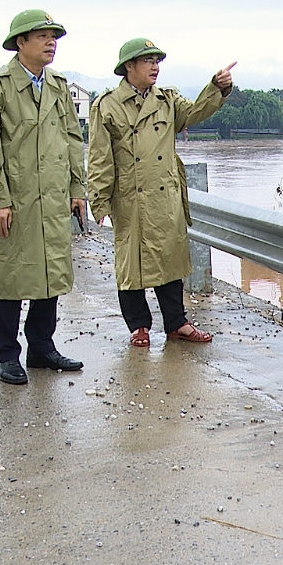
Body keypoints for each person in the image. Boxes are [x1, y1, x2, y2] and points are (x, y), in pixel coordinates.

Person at [0, 10, 87, 385]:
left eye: (54, 37)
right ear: (20, 42)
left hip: (51, 199)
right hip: (14, 199)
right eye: (42, 36)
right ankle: (5, 355)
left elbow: (71, 139)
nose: (51, 43)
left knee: (51, 273)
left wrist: (76, 190)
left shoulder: (58, 85)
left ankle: (41, 347)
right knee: (10, 276)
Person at [87, 39, 234, 348]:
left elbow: (195, 112)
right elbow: (100, 155)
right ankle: (138, 326)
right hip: (130, 195)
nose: (155, 67)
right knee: (131, 263)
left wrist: (216, 88)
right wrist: (98, 199)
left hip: (165, 193)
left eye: (157, 61)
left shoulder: (167, 99)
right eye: (147, 61)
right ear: (129, 66)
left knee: (170, 257)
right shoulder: (107, 105)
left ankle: (177, 322)